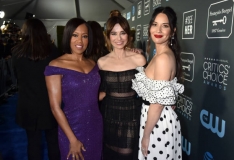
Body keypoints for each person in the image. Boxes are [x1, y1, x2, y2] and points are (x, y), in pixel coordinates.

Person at [44, 18, 103, 160]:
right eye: (75, 35)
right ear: (67, 36)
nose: (80, 41)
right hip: (72, 128)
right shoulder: (56, 65)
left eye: (84, 36)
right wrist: (72, 139)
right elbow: (55, 107)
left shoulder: (93, 63)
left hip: (96, 125)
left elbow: (90, 96)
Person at [131, 6, 184, 160]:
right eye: (155, 24)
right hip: (157, 119)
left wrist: (146, 135)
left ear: (173, 31)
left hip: (157, 124)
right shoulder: (161, 54)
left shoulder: (163, 58)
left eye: (165, 25)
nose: (158, 29)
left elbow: (158, 103)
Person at [97, 14, 146, 160]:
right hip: (108, 114)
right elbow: (100, 91)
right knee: (110, 153)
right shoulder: (101, 62)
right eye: (114, 33)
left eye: (122, 33)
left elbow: (147, 89)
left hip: (132, 114)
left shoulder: (139, 58)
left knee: (128, 154)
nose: (118, 38)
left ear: (128, 35)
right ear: (108, 36)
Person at [12, 18, 61, 160]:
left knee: (33, 143)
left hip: (27, 105)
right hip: (50, 104)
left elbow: (16, 77)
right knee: (53, 142)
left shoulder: (16, 52)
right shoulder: (53, 52)